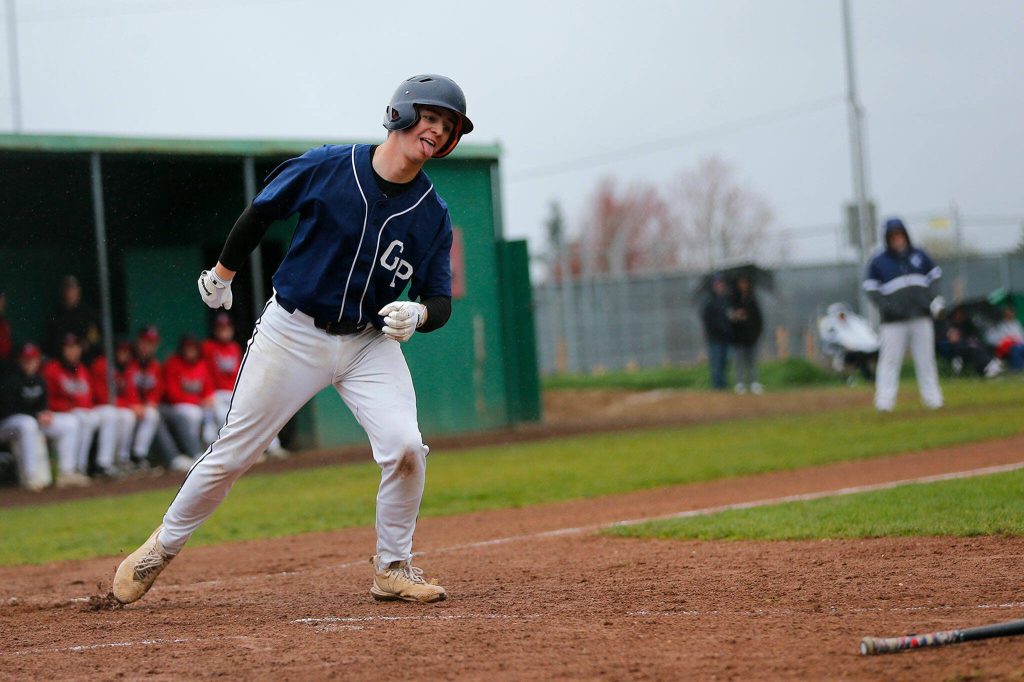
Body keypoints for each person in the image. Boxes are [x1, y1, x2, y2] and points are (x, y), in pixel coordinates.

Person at [113, 74, 471, 606]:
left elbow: (440, 301)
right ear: (399, 115)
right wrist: (222, 273)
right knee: (234, 454)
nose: (436, 132)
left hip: (370, 343)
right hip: (294, 331)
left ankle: (393, 567)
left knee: (405, 448)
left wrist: (418, 313)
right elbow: (262, 212)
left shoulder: (431, 214)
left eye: (446, 127)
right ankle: (160, 548)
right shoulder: (330, 165)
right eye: (431, 118)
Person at [863, 218, 944, 412]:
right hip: (893, 322)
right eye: (893, 236)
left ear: (905, 235)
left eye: (899, 234)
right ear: (887, 238)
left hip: (921, 317)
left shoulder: (919, 255)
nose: (897, 239)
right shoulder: (879, 261)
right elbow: (870, 288)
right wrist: (887, 307)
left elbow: (934, 278)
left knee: (926, 360)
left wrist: (930, 300)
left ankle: (933, 400)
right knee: (889, 361)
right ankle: (884, 402)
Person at [201, 313, 287, 457]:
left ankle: (273, 447)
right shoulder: (208, 347)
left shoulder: (234, 347)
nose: (224, 331)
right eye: (221, 328)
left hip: (235, 391)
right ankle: (244, 452)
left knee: (258, 410)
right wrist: (208, 393)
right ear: (215, 330)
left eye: (227, 327)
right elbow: (204, 373)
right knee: (225, 418)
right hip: (216, 393)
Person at [0, 342, 80, 490]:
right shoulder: (10, 381)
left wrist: (45, 414)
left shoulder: (40, 380)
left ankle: (67, 472)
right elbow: (7, 410)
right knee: (27, 423)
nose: (29, 363)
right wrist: (36, 415)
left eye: (32, 359)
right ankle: (31, 477)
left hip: (32, 422)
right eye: (26, 359)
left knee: (70, 422)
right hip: (8, 426)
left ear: (38, 360)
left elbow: (42, 407)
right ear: (19, 360)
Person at [42, 334, 122, 478]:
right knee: (82, 418)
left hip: (83, 411)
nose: (73, 351)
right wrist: (68, 406)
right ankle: (79, 466)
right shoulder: (52, 369)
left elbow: (88, 397)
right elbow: (47, 401)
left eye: (76, 347)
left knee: (110, 413)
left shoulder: (82, 369)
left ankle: (104, 464)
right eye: (69, 348)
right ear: (62, 350)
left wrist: (86, 407)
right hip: (61, 414)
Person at [161, 334, 214, 471]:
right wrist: (197, 401)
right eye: (187, 348)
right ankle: (195, 452)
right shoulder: (173, 363)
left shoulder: (201, 365)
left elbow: (208, 388)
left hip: (197, 405)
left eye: (193, 348)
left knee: (214, 411)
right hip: (177, 406)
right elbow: (172, 394)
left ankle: (211, 449)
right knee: (192, 414)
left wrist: (207, 398)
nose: (190, 351)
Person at [818, 303, 879, 382]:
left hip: (862, 351)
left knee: (876, 354)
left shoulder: (854, 322)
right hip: (843, 355)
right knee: (860, 357)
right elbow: (832, 341)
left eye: (843, 314)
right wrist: (845, 347)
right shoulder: (829, 325)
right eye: (840, 315)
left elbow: (868, 338)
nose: (843, 317)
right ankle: (869, 378)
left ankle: (879, 377)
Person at [934, 307, 1002, 378]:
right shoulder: (945, 323)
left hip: (964, 345)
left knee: (978, 346)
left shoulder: (967, 323)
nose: (959, 316)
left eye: (961, 314)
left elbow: (972, 335)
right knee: (973, 347)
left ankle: (989, 366)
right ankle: (990, 365)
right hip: (950, 347)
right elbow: (950, 338)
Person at [45, 275, 101, 361]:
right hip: (62, 363)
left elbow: (95, 339)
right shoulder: (56, 315)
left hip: (85, 361)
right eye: (67, 290)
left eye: (73, 289)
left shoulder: (89, 314)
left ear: (79, 291)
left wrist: (86, 344)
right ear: (63, 293)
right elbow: (50, 343)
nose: (70, 293)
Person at [728, 275, 764, 394]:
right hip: (738, 338)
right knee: (739, 362)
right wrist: (735, 317)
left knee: (752, 362)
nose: (743, 285)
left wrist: (756, 332)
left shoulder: (752, 299)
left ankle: (754, 382)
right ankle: (739, 383)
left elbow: (758, 319)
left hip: (751, 337)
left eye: (745, 282)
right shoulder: (733, 300)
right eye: (741, 283)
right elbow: (728, 318)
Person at [701, 274, 732, 390]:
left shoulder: (726, 300)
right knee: (716, 363)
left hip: (726, 338)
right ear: (713, 285)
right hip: (715, 338)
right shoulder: (709, 301)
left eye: (721, 284)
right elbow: (708, 320)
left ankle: (723, 386)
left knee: (724, 363)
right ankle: (717, 387)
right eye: (717, 284)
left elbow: (728, 317)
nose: (720, 286)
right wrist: (718, 330)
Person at [985, 305, 1024, 371]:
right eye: (1007, 313)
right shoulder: (999, 325)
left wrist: (1016, 339)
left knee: (1019, 347)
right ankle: (1017, 369)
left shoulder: (1016, 324)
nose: (1010, 315)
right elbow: (995, 339)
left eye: (1011, 313)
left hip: (1018, 343)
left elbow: (1021, 336)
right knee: (1016, 349)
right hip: (1005, 346)